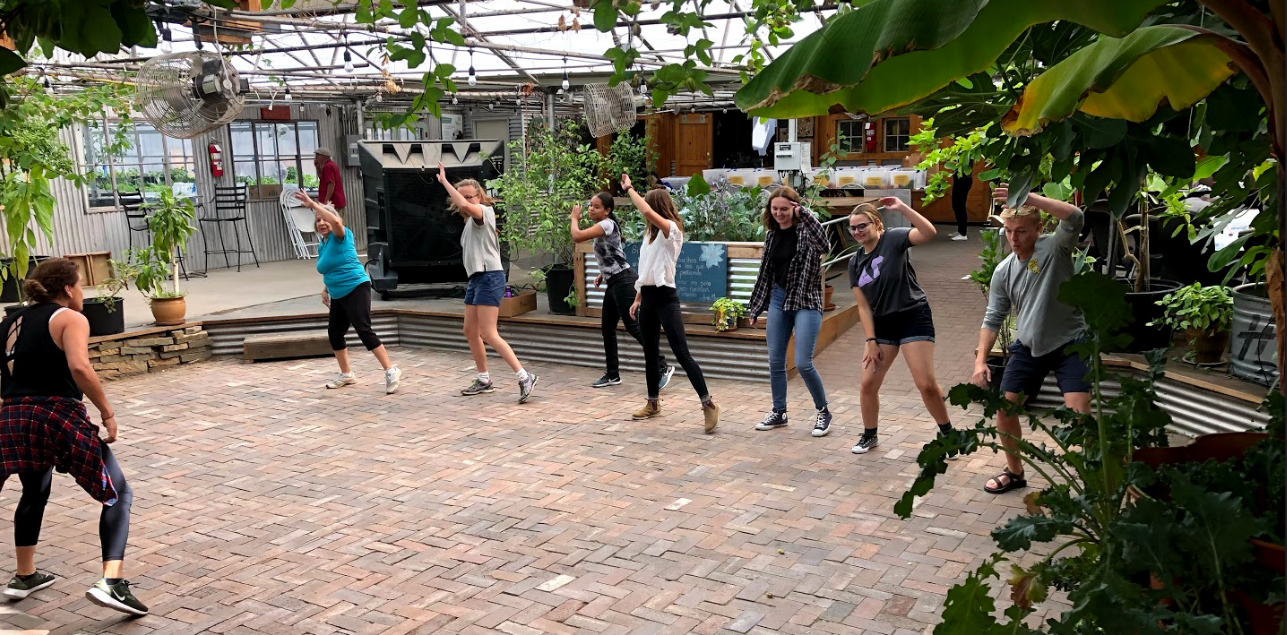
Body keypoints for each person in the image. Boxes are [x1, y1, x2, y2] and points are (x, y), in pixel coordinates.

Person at [0, 259, 146, 615]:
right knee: (117, 492)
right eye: (80, 285)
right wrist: (107, 413)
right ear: (67, 288)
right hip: (56, 415)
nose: (82, 293)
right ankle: (112, 582)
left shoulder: (8, 321)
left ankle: (25, 575)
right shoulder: (70, 318)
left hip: (11, 415)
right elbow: (79, 367)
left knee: (34, 490)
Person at [971, 184, 1090, 494]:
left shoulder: (1054, 249)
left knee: (1081, 416)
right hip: (1028, 346)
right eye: (1009, 231)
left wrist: (1029, 198)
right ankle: (1015, 472)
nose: (1013, 238)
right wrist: (981, 360)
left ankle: (1094, 477)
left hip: (1070, 343)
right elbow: (993, 316)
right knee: (1004, 410)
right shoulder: (1003, 271)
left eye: (1021, 231)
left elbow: (1075, 217)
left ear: (1038, 229)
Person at [848, 197, 954, 455]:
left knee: (926, 384)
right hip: (882, 323)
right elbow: (863, 306)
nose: (857, 232)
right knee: (868, 384)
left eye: (862, 226)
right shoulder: (854, 262)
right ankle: (870, 435)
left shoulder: (893, 239)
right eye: (853, 228)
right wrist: (870, 340)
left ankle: (949, 434)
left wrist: (903, 208)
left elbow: (929, 232)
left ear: (877, 224)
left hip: (912, 314)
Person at [621, 173, 720, 433]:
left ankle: (708, 404)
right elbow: (647, 268)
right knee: (650, 353)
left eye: (649, 209)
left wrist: (630, 188)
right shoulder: (649, 236)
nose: (645, 214)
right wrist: (638, 297)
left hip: (666, 298)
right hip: (649, 298)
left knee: (682, 353)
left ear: (656, 208)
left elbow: (645, 210)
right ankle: (653, 403)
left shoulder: (671, 231)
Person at [437, 162, 538, 403]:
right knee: (470, 331)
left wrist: (444, 182)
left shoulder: (484, 212)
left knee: (488, 333)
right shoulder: (469, 224)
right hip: (477, 278)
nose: (466, 201)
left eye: (470, 196)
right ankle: (484, 379)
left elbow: (464, 206)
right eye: (463, 197)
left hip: (489, 276)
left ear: (479, 196)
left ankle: (525, 376)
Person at [746, 186, 833, 437]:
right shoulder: (772, 236)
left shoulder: (806, 232)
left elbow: (824, 243)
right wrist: (756, 307)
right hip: (778, 299)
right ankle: (779, 412)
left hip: (805, 300)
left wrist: (804, 214)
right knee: (775, 361)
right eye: (775, 209)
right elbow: (766, 275)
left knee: (803, 363)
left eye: (784, 209)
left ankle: (823, 411)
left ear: (795, 208)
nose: (779, 214)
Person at [294, 190, 402, 394]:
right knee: (335, 333)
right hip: (338, 293)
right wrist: (325, 290)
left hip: (356, 288)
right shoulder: (323, 243)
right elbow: (331, 267)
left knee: (363, 329)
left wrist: (313, 205)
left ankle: (391, 369)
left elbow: (335, 223)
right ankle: (347, 374)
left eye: (323, 219)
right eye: (317, 221)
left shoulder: (341, 235)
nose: (321, 223)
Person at [570, 192, 675, 391]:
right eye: (590, 205)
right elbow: (613, 253)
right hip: (615, 280)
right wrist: (603, 274)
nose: (591, 209)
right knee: (607, 328)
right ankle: (612, 374)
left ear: (607, 210)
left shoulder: (607, 224)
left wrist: (574, 219)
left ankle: (662, 365)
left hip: (623, 281)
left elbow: (577, 236)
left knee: (633, 326)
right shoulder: (605, 226)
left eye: (596, 206)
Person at [315, 148, 346, 212]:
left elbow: (331, 184)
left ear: (323, 156)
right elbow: (323, 179)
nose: (316, 158)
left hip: (333, 203)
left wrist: (326, 201)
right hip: (336, 202)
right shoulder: (331, 165)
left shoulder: (327, 167)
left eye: (317, 155)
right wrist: (317, 168)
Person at [948, 169, 973, 241]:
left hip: (963, 180)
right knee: (956, 205)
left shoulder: (966, 157)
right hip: (959, 179)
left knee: (960, 206)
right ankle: (960, 230)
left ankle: (963, 233)